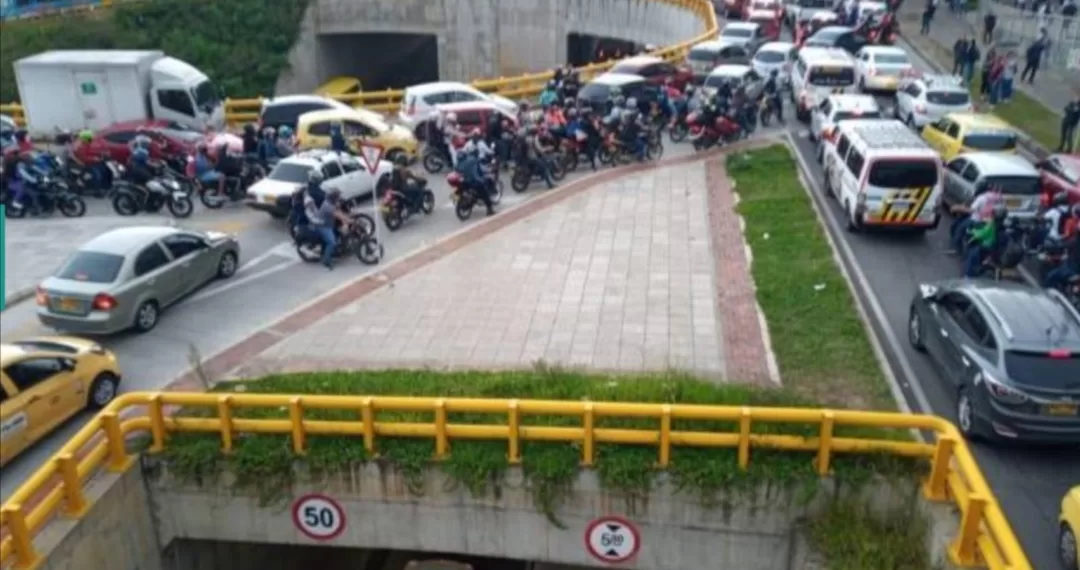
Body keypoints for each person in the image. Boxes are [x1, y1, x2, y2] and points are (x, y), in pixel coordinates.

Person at [304, 177, 350, 270]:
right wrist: (348, 220)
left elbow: (339, 211)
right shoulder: (328, 206)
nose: (338, 197)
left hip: (329, 224)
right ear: (333, 197)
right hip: (323, 226)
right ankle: (327, 260)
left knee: (339, 233)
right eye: (337, 196)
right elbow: (338, 215)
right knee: (331, 242)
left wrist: (347, 216)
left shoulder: (331, 202)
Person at [947, 184, 1002, 254]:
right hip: (989, 221)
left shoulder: (982, 198)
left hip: (976, 220)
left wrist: (957, 208)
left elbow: (971, 210)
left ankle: (956, 248)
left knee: (960, 229)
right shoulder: (998, 198)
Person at [963, 203, 1008, 278]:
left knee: (973, 254)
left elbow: (982, 234)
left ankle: (969, 276)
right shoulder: (1001, 225)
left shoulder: (993, 225)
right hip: (995, 250)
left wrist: (971, 231)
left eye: (993, 213)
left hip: (989, 249)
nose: (992, 214)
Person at [456, 148, 496, 216]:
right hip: (474, 182)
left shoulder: (458, 164)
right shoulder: (474, 160)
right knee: (485, 194)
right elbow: (481, 170)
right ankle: (490, 210)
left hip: (464, 183)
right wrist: (489, 170)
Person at [11, 151, 43, 215]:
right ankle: (16, 202)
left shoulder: (29, 164)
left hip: (26, 182)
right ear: (26, 158)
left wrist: (46, 173)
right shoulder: (20, 165)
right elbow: (24, 174)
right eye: (30, 158)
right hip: (17, 182)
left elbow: (36, 169)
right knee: (30, 192)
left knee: (36, 191)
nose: (32, 159)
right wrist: (33, 180)